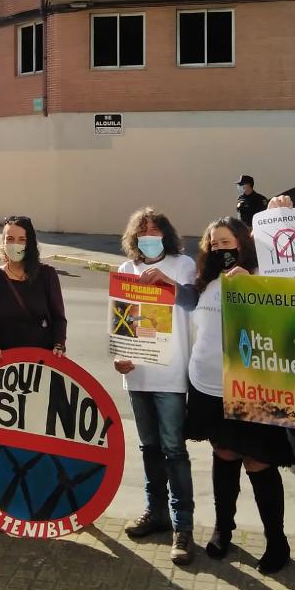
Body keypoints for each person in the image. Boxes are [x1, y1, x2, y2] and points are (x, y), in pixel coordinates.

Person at [146, 216, 295, 574]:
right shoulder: (208, 278)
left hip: (250, 386)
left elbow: (288, 313)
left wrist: (257, 284)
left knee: (258, 461)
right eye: (214, 244)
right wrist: (167, 283)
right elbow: (188, 302)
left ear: (243, 242)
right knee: (224, 454)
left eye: (226, 243)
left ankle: (277, 541)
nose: (220, 250)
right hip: (207, 385)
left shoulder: (264, 274)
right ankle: (222, 529)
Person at [117, 207, 196, 566]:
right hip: (138, 375)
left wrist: (167, 284)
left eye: (155, 230)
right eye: (142, 231)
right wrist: (119, 356)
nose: (149, 236)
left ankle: (183, 527)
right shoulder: (124, 271)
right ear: (134, 238)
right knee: (149, 448)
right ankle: (156, 512)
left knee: (173, 451)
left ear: (166, 233)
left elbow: (193, 302)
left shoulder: (183, 265)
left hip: (170, 376)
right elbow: (120, 322)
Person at [0, 216, 68, 362]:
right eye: (9, 239)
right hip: (7, 366)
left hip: (42, 362)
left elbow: (58, 318)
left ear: (30, 243)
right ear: (3, 242)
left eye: (21, 239)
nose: (15, 244)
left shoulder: (47, 275)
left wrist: (59, 345)